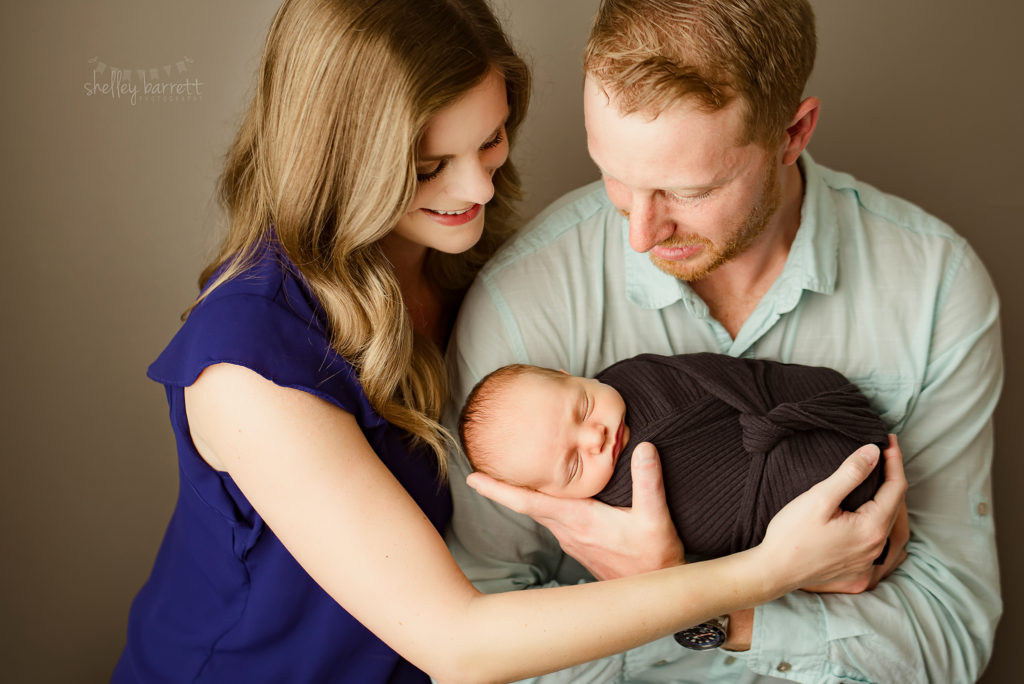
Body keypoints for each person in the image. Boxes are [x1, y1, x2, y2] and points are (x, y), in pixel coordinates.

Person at [111, 1, 905, 683]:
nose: (479, 189)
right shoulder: (247, 362)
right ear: (339, 166)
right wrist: (768, 572)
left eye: (491, 141)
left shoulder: (462, 263)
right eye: (428, 167)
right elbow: (459, 642)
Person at [444, 0, 1002, 681]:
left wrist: (710, 610)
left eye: (688, 190)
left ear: (793, 132)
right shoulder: (525, 304)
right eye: (616, 178)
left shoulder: (934, 287)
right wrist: (687, 593)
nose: (640, 234)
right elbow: (483, 638)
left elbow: (949, 637)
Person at [458, 353, 889, 560]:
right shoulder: (608, 520)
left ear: (568, 376)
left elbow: (734, 376)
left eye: (584, 407)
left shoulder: (637, 378)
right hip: (795, 518)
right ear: (551, 498)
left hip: (802, 415)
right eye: (573, 465)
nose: (596, 437)